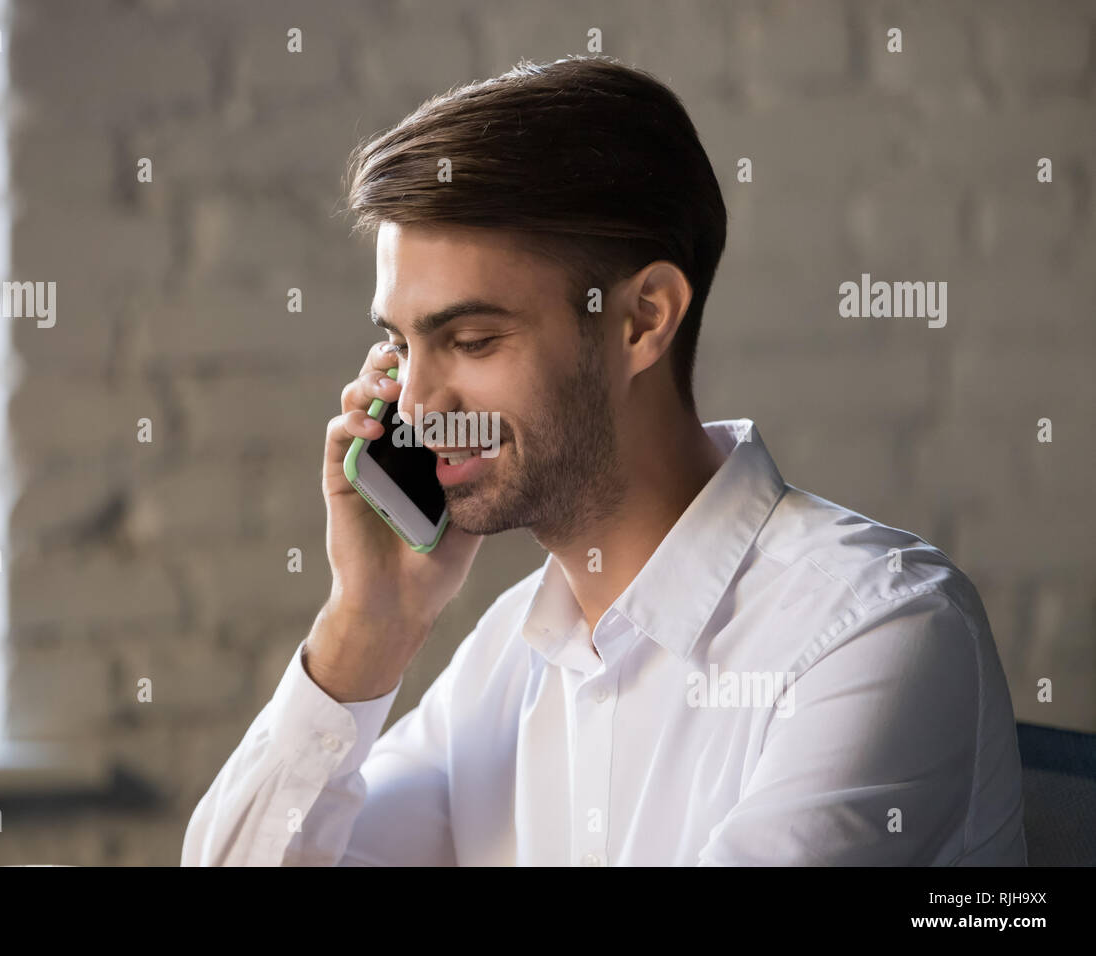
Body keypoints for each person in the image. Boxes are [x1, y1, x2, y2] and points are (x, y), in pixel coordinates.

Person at [181, 56, 1026, 866]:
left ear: (642, 319)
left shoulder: (879, 630)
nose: (414, 408)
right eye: (401, 344)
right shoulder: (510, 654)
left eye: (471, 340)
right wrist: (369, 625)